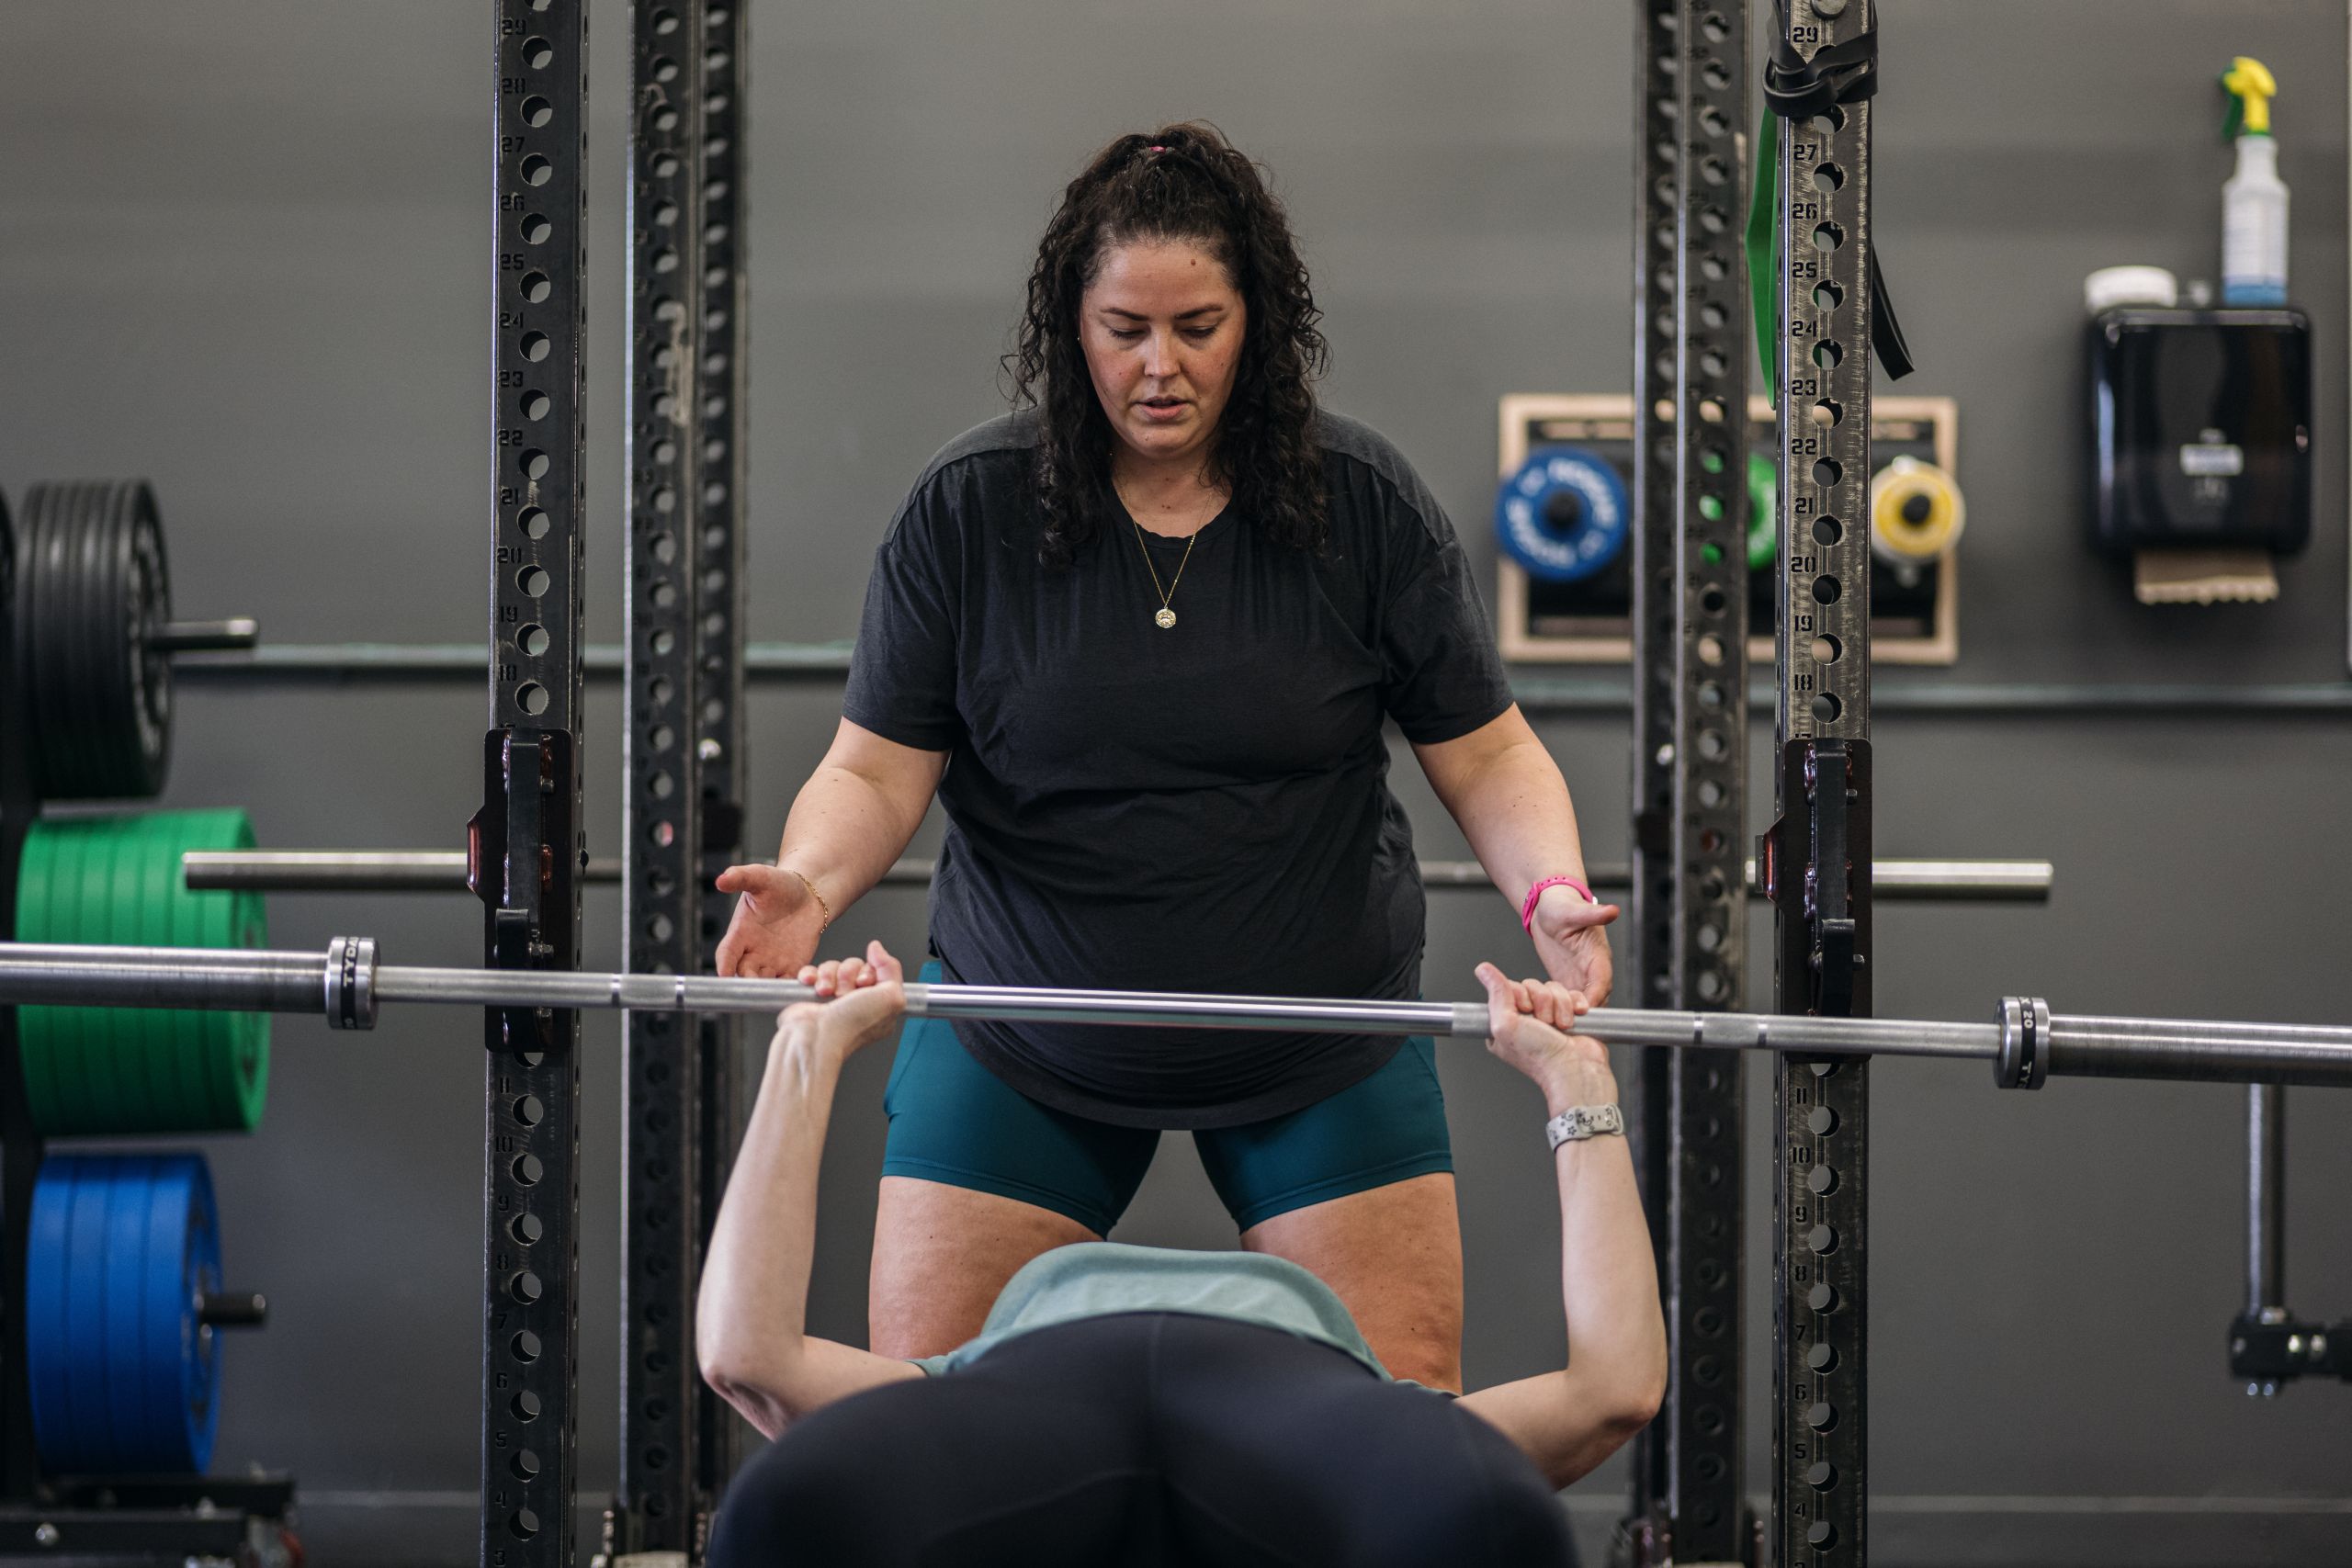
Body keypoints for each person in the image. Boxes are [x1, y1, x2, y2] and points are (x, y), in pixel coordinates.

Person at [714, 121, 1619, 1391]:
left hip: (1318, 1035)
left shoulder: (1362, 502)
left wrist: (1550, 890)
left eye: (1198, 327)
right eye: (1124, 329)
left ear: (1256, 324)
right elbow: (872, 769)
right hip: (1025, 1027)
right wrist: (811, 883)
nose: (1160, 366)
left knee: (1396, 1428)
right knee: (938, 1435)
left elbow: (1488, 753)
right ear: (1070, 328)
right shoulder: (970, 509)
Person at [696, 942, 1665, 1568]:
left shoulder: (949, 1391)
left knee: (788, 1512)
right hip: (1305, 1422)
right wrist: (1575, 1085)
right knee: (1493, 1529)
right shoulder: (1373, 1413)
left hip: (1025, 1400)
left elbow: (747, 1355)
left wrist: (807, 1054)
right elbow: (1613, 1390)